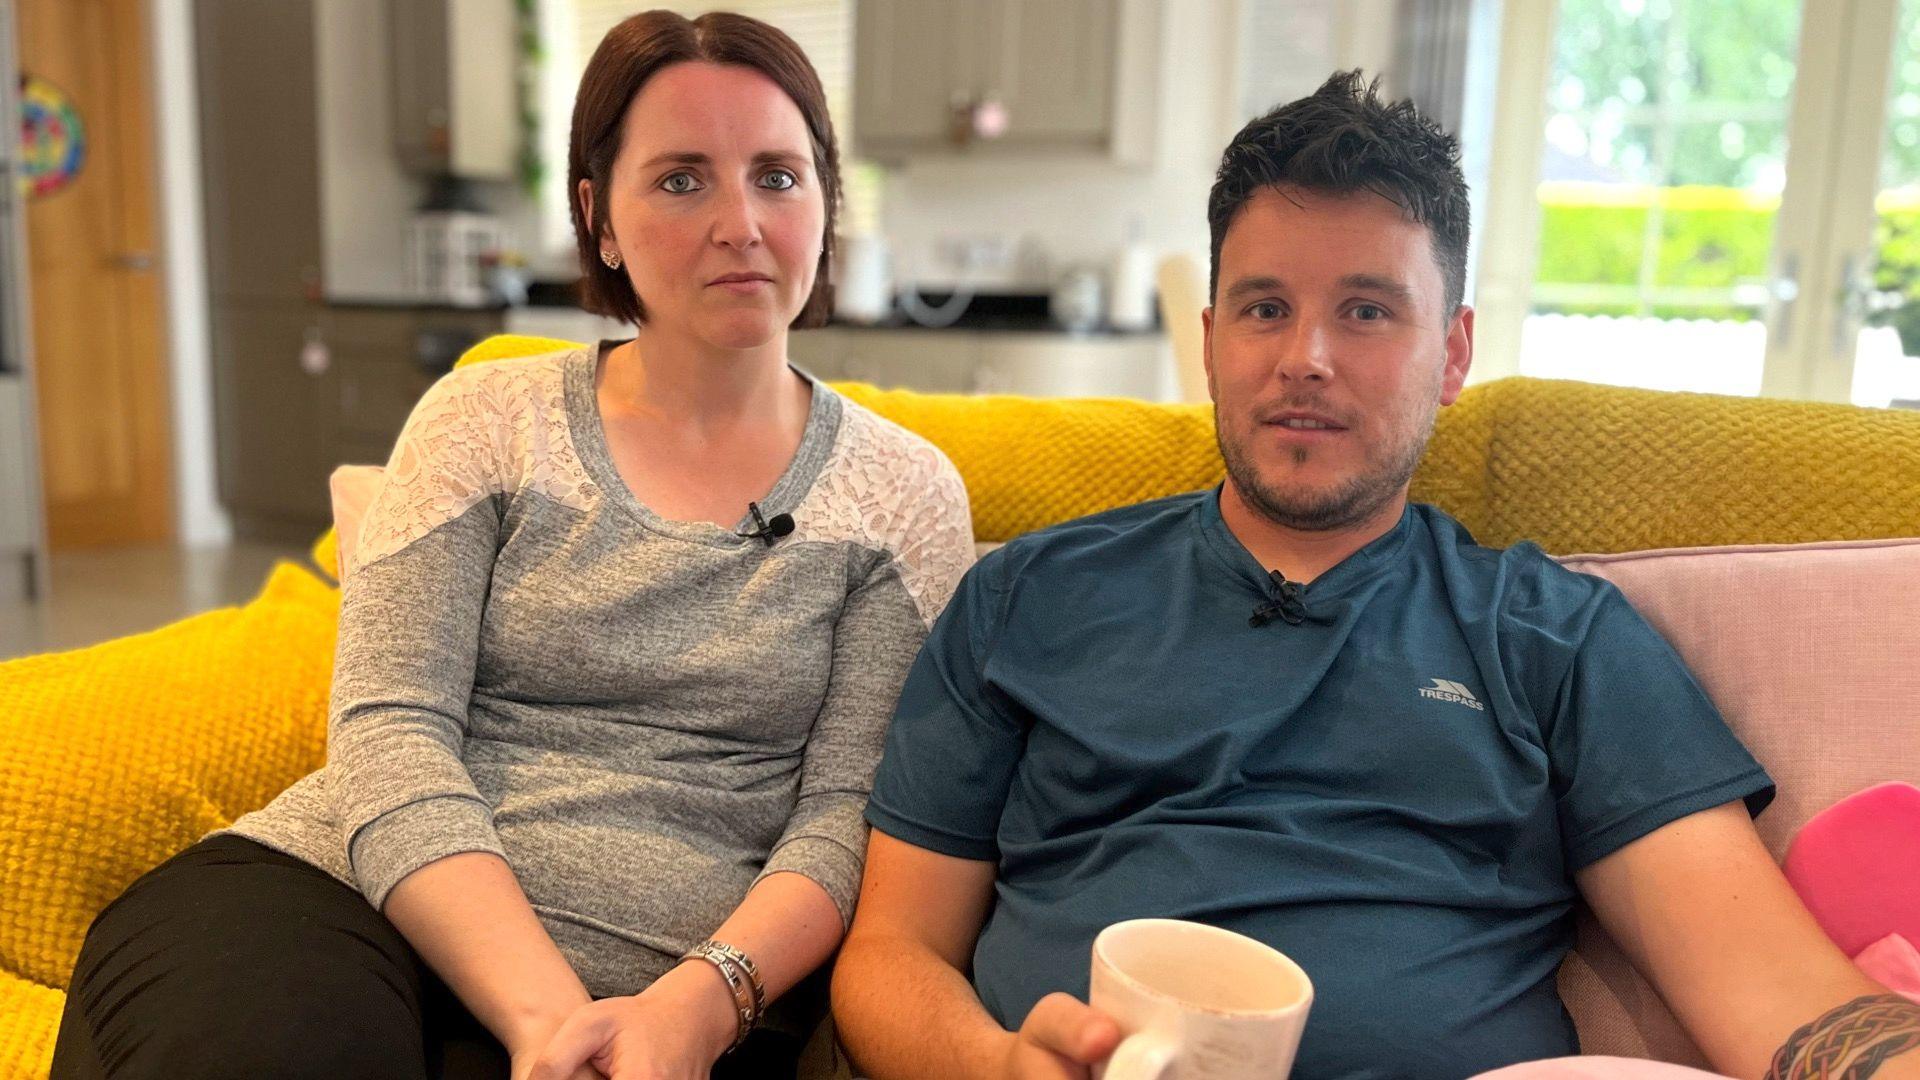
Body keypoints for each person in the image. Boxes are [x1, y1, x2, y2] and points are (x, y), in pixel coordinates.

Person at [830, 71, 1920, 1080]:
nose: (1307, 355)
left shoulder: (1553, 635)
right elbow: (889, 953)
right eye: (1265, 308)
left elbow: (1785, 1000)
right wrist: (997, 1066)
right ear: (1211, 342)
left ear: (1451, 355)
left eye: (1366, 310)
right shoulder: (1027, 596)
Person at [50, 11, 972, 1080]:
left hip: (689, 999)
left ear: (825, 204)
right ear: (600, 218)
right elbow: (391, 731)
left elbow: (849, 818)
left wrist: (701, 1006)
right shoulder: (486, 418)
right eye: (682, 179)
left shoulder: (902, 495)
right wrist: (545, 1018)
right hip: (343, 908)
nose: (741, 222)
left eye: (778, 175)